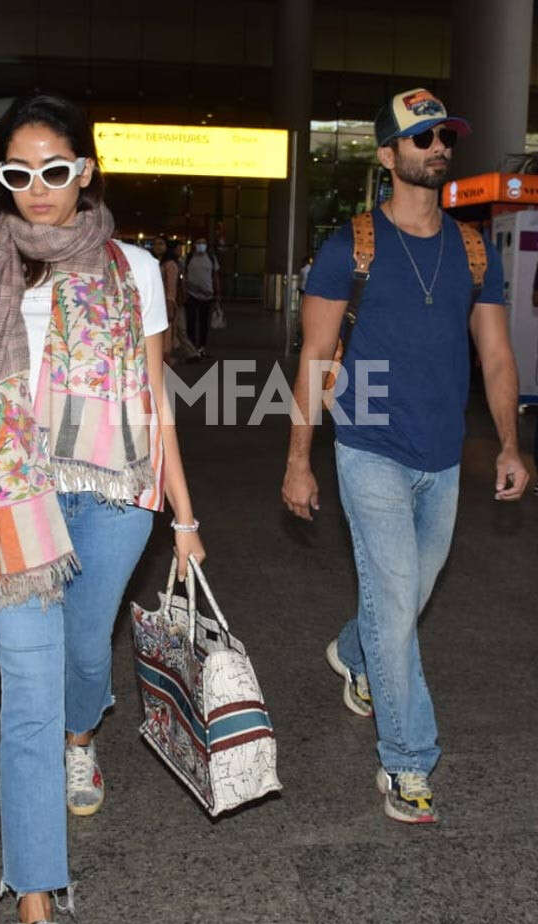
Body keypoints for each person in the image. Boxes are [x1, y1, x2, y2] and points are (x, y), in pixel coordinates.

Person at [0, 94, 205, 924]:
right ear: (0, 179)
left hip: (115, 498)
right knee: (28, 692)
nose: (38, 187)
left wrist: (184, 519)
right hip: (10, 496)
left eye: (55, 170)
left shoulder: (136, 269)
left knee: (86, 659)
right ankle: (37, 891)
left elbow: (156, 400)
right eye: (18, 173)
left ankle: (86, 738)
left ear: (84, 170)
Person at [282, 87, 529, 825]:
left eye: (444, 136)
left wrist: (510, 444)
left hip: (444, 456)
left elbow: (494, 355)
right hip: (368, 446)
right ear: (388, 156)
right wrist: (299, 457)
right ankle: (408, 761)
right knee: (397, 601)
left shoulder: (475, 248)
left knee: (401, 602)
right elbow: (317, 357)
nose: (438, 148)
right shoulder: (348, 245)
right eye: (422, 140)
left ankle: (354, 653)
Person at [153, 235, 199, 364]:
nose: (158, 246)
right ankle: (188, 353)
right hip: (157, 302)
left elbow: (172, 286)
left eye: (161, 244)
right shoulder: (155, 262)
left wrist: (170, 303)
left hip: (168, 303)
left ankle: (175, 355)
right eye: (156, 244)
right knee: (173, 330)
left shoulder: (170, 264)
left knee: (173, 330)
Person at [184, 236, 220, 355]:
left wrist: (217, 293)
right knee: (191, 322)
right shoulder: (189, 257)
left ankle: (202, 347)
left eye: (203, 242)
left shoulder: (211, 258)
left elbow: (215, 276)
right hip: (191, 294)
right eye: (198, 242)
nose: (200, 244)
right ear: (194, 244)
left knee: (204, 323)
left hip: (207, 295)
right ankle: (192, 348)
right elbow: (184, 275)